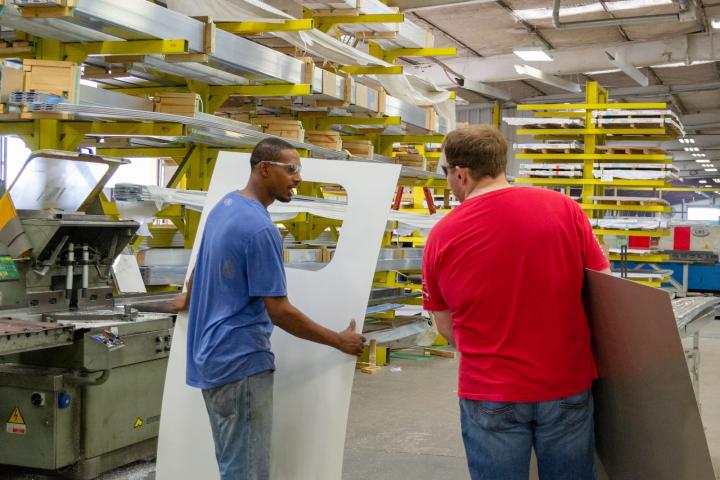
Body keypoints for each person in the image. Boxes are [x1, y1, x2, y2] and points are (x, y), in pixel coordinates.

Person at [422, 125, 610, 480]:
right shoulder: (564, 209)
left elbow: (445, 327)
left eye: (445, 172)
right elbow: (603, 286)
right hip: (565, 384)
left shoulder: (442, 235)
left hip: (490, 390)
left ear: (461, 173)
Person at [185, 137, 366, 480]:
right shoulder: (260, 229)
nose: (297, 177)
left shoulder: (224, 208)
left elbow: (201, 263)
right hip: (241, 364)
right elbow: (278, 310)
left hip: (212, 359)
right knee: (247, 472)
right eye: (291, 169)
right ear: (264, 169)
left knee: (233, 464)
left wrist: (187, 298)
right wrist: (338, 340)